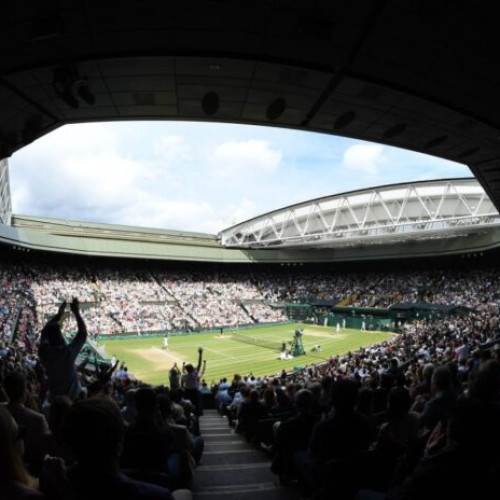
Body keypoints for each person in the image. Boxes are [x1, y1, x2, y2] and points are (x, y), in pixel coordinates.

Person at [38, 298, 87, 403]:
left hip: (54, 397)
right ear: (60, 336)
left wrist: (58, 315)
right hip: (72, 399)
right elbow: (83, 334)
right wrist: (77, 313)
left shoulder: (42, 352)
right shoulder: (66, 353)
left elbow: (44, 332)